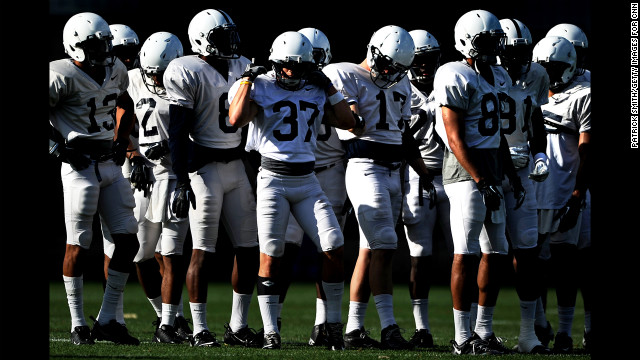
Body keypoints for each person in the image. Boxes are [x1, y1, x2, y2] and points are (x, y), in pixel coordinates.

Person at [228, 30, 354, 351]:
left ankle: (333, 326)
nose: (291, 72)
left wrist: (327, 85)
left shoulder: (315, 87)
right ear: (274, 62)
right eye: (286, 66)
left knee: (334, 244)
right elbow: (235, 119)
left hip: (308, 181)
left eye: (298, 68)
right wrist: (245, 79)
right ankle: (271, 332)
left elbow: (347, 121)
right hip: (272, 179)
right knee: (271, 256)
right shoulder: (261, 85)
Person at [324, 24, 433, 351]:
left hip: (394, 170)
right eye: (387, 65)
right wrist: (350, 113)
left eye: (397, 69)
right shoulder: (346, 74)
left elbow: (403, 134)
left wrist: (421, 170)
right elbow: (351, 125)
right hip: (364, 167)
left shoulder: (400, 84)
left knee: (371, 249)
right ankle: (389, 327)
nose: (389, 73)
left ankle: (355, 328)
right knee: (385, 242)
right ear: (373, 51)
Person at [163, 9, 262, 348]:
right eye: (222, 37)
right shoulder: (186, 70)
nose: (231, 43)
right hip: (203, 169)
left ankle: (237, 326)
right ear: (202, 41)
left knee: (249, 249)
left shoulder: (241, 65)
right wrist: (179, 179)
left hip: (235, 164)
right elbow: (177, 133)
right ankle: (199, 328)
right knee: (202, 251)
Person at [49, 12, 140, 345]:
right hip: (79, 166)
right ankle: (77, 324)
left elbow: (125, 104)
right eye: (95, 44)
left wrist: (121, 141)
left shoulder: (114, 69)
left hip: (109, 163)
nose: (104, 50)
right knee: (79, 243)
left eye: (105, 43)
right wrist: (57, 149)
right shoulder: (59, 74)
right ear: (75, 47)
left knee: (128, 240)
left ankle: (106, 319)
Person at [432, 9, 516, 355]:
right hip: (466, 172)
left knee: (497, 252)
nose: (494, 47)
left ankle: (483, 332)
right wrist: (481, 179)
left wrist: (509, 176)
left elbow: (499, 135)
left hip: (493, 167)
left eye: (496, 39)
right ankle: (462, 337)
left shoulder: (498, 75)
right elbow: (454, 137)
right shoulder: (453, 73)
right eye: (486, 40)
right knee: (465, 251)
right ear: (466, 41)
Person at [269, 27, 347, 347]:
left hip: (331, 170)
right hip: (293, 172)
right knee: (284, 250)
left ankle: (323, 323)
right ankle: (273, 319)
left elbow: (351, 122)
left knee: (330, 248)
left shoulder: (334, 82)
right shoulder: (279, 83)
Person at [120, 31, 193, 344]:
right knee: (140, 254)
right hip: (144, 178)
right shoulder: (132, 79)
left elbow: (202, 131)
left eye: (160, 73)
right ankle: (170, 316)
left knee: (171, 252)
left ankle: (167, 323)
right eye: (150, 72)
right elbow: (115, 119)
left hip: (175, 176)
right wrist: (132, 152)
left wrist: (175, 146)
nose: (154, 78)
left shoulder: (189, 81)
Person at [531, 35, 591, 355]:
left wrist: (578, 193)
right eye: (544, 67)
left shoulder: (584, 95)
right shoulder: (529, 92)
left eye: (555, 67)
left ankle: (567, 331)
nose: (550, 73)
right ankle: (539, 326)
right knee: (532, 264)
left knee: (566, 265)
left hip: (565, 191)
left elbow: (587, 150)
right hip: (533, 192)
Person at [498, 18, 552, 354]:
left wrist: (541, 154)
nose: (519, 58)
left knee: (528, 247)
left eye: (523, 51)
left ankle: (530, 331)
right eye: (512, 51)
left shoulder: (536, 75)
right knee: (484, 251)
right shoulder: (479, 75)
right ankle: (476, 331)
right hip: (490, 169)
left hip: (522, 171)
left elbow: (534, 120)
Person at [399, 29, 453, 349]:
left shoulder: (449, 83)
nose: (423, 67)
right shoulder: (399, 90)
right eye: (417, 61)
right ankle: (422, 328)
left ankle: (472, 328)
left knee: (463, 252)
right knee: (421, 255)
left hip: (452, 176)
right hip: (417, 178)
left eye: (429, 60)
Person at [97, 23, 141, 331]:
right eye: (120, 53)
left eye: (130, 53)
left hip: (139, 162)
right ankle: (114, 315)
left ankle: (114, 316)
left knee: (134, 241)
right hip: (112, 163)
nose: (127, 60)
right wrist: (128, 151)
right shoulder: (98, 78)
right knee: (111, 244)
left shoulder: (134, 78)